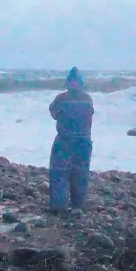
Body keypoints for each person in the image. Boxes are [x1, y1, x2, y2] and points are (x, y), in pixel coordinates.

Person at [48, 66, 94, 215]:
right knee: (80, 174)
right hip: (83, 141)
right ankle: (78, 206)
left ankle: (59, 206)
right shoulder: (88, 98)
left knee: (59, 173)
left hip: (65, 140)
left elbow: (53, 113)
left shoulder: (61, 98)